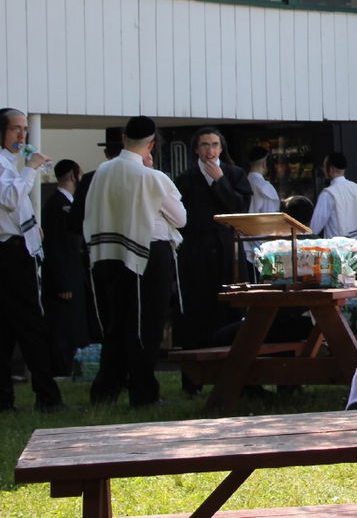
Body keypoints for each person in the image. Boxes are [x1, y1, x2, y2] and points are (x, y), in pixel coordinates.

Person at [83, 115, 185, 408]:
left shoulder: (103, 170)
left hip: (108, 254)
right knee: (145, 327)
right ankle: (143, 393)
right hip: (146, 253)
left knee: (115, 325)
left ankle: (106, 390)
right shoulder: (151, 177)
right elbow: (180, 218)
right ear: (151, 144)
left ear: (125, 138)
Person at [0, 107, 67, 412]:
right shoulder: (7, 164)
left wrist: (32, 228)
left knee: (10, 328)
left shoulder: (9, 162)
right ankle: (47, 396)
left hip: (19, 247)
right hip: (9, 254)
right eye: (16, 129)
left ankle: (7, 399)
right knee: (30, 326)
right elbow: (11, 200)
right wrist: (31, 168)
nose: (22, 135)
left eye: (24, 129)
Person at [173, 126, 252, 355]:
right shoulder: (185, 179)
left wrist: (220, 182)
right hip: (197, 252)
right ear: (197, 150)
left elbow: (239, 208)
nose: (211, 150)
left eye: (215, 144)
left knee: (232, 308)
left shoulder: (234, 174)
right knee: (199, 308)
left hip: (228, 251)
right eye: (205, 145)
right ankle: (196, 372)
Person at [41, 158, 90, 378]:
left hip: (74, 274)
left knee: (74, 325)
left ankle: (71, 367)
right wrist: (63, 282)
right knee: (62, 326)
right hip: (64, 279)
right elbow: (55, 247)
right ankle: (60, 369)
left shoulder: (71, 203)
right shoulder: (56, 205)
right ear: (73, 175)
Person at [310, 152, 357, 242]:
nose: (323, 170)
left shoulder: (328, 194)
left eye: (324, 167)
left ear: (331, 169)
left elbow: (314, 227)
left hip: (340, 250)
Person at [242, 146, 280, 270]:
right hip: (262, 243)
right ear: (264, 163)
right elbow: (270, 221)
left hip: (244, 243)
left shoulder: (243, 183)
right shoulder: (265, 188)